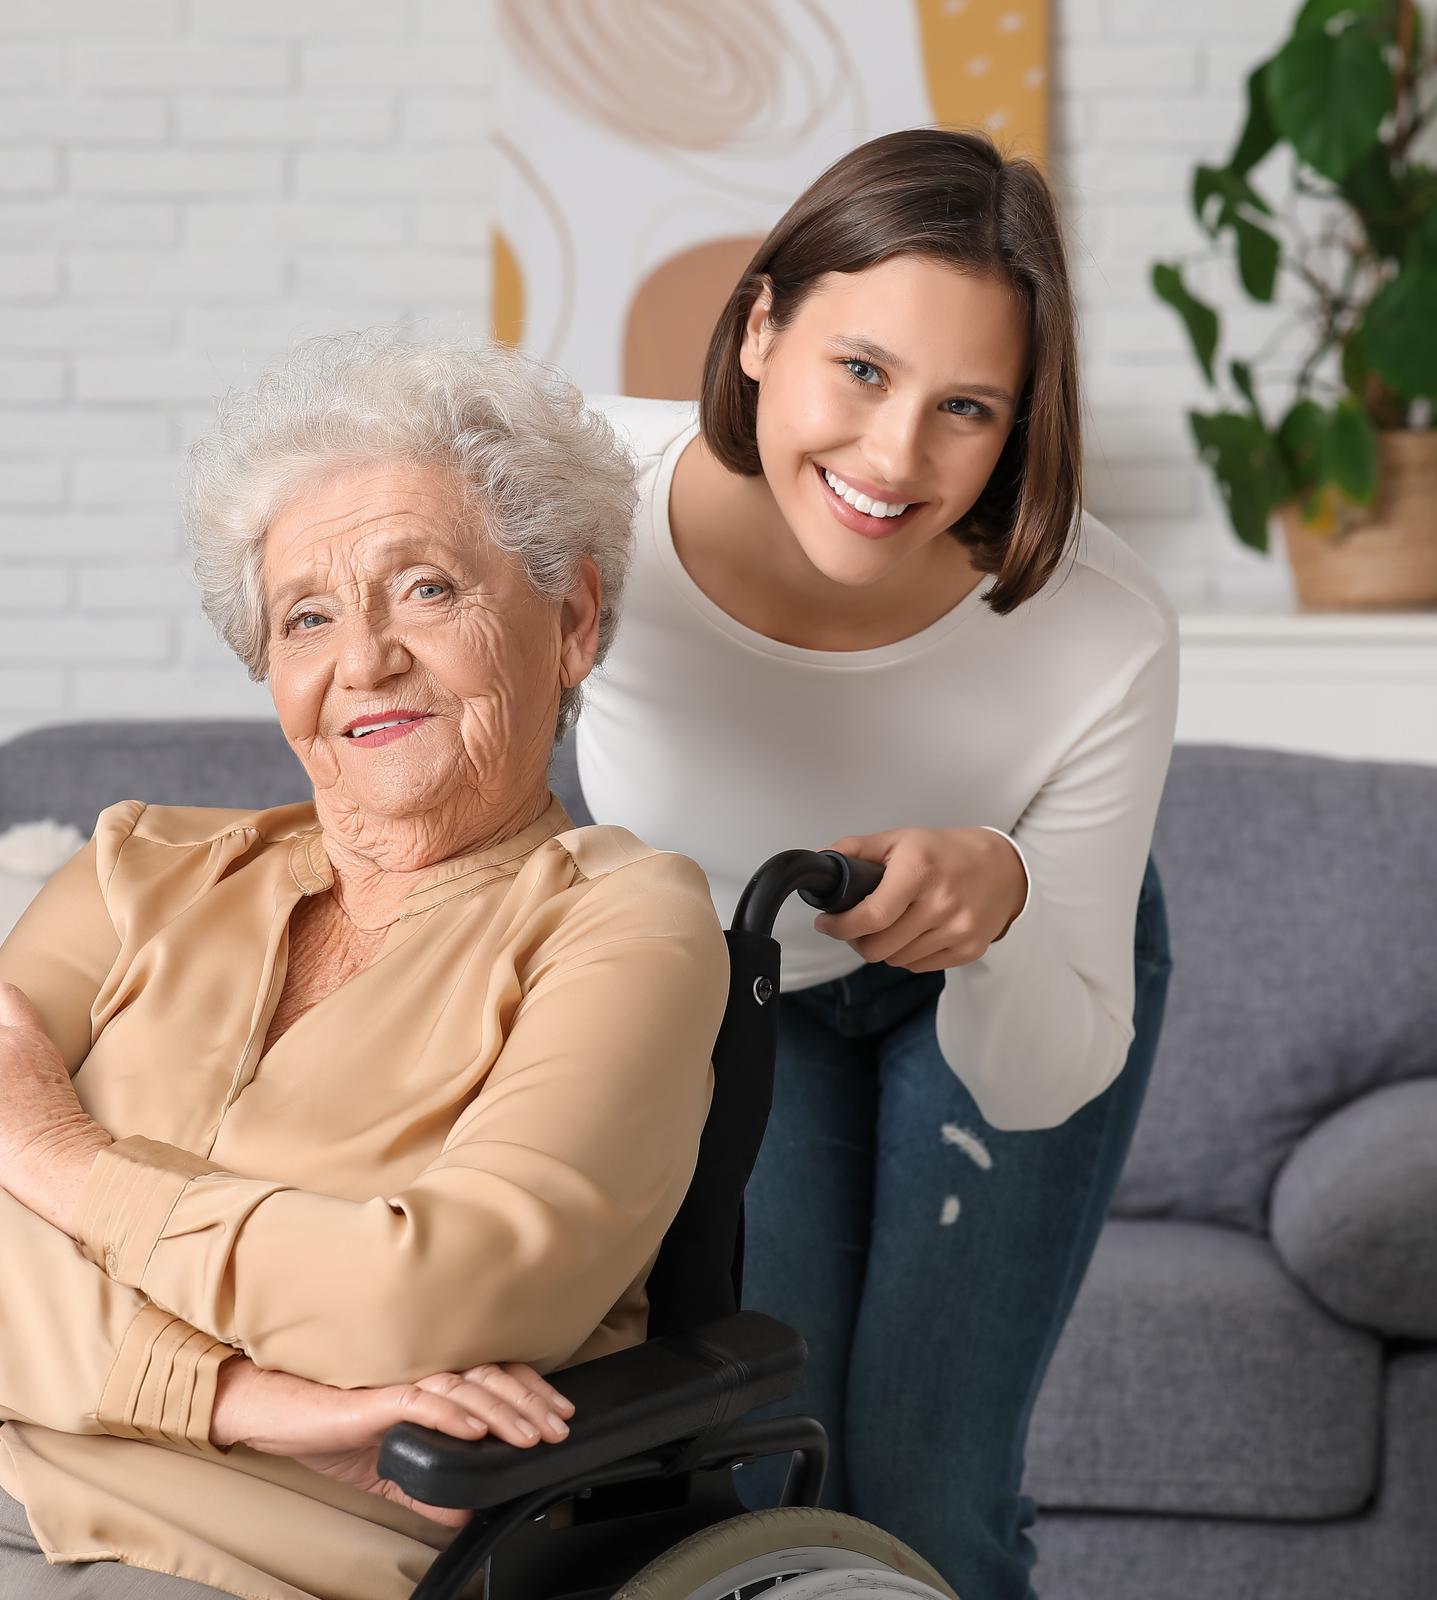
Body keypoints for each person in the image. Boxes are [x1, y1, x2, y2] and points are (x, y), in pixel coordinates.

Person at [0, 333, 729, 1600]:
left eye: (424, 588)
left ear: (570, 618)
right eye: (307, 617)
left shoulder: (626, 923)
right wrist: (249, 1396)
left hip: (239, 1561)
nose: (362, 659)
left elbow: (440, 1296)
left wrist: (53, 1157)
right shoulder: (133, 869)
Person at [577, 127, 1179, 1600]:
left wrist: (1007, 899)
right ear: (763, 324)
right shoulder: (579, 506)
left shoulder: (1099, 630)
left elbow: (1044, 1073)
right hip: (734, 997)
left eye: (967, 407)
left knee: (930, 1498)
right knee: (767, 1470)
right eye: (862, 370)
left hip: (1009, 984)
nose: (896, 458)